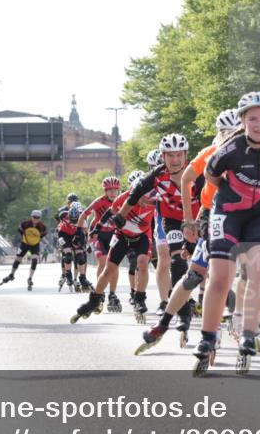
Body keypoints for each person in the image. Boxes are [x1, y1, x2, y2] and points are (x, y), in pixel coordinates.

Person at [192, 92, 260, 376]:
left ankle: (248, 334)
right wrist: (231, 190)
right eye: (252, 119)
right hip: (227, 212)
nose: (259, 124)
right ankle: (207, 337)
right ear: (243, 121)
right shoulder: (229, 148)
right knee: (221, 277)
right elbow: (211, 176)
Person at [137, 109, 239, 354]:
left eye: (237, 133)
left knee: (243, 270)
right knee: (193, 273)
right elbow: (186, 180)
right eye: (226, 134)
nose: (232, 137)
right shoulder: (210, 153)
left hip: (243, 218)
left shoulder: (259, 152)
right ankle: (164, 323)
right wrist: (189, 221)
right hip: (211, 216)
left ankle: (240, 318)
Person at [121, 133, 201, 320]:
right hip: (166, 218)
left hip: (195, 218)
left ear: (185, 155)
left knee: (200, 260)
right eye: (169, 156)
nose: (174, 160)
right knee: (166, 259)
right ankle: (166, 301)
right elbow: (134, 196)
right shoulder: (156, 175)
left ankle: (191, 297)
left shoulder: (195, 172)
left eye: (178, 155)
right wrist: (120, 215)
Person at [72, 170, 156, 324]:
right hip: (122, 236)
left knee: (143, 264)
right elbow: (108, 214)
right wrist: (96, 229)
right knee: (109, 269)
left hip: (143, 236)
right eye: (139, 195)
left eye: (146, 195)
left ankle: (139, 299)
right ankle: (94, 300)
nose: (143, 200)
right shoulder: (122, 199)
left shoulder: (154, 198)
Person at [81, 176, 122, 311]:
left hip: (113, 234)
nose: (112, 193)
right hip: (98, 235)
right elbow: (83, 215)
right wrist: (80, 232)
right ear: (104, 191)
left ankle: (112, 294)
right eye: (109, 190)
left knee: (114, 265)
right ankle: (100, 291)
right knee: (103, 261)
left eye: (115, 190)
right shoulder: (99, 202)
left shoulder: (122, 201)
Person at [0, 210, 47, 291]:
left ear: (40, 218)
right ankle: (12, 274)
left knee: (35, 260)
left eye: (37, 218)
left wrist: (36, 239)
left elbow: (42, 235)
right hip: (24, 243)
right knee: (18, 259)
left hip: (35, 245)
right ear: (31, 217)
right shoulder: (25, 224)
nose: (35, 219)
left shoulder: (42, 226)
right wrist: (24, 239)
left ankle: (30, 278)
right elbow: (21, 231)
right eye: (34, 217)